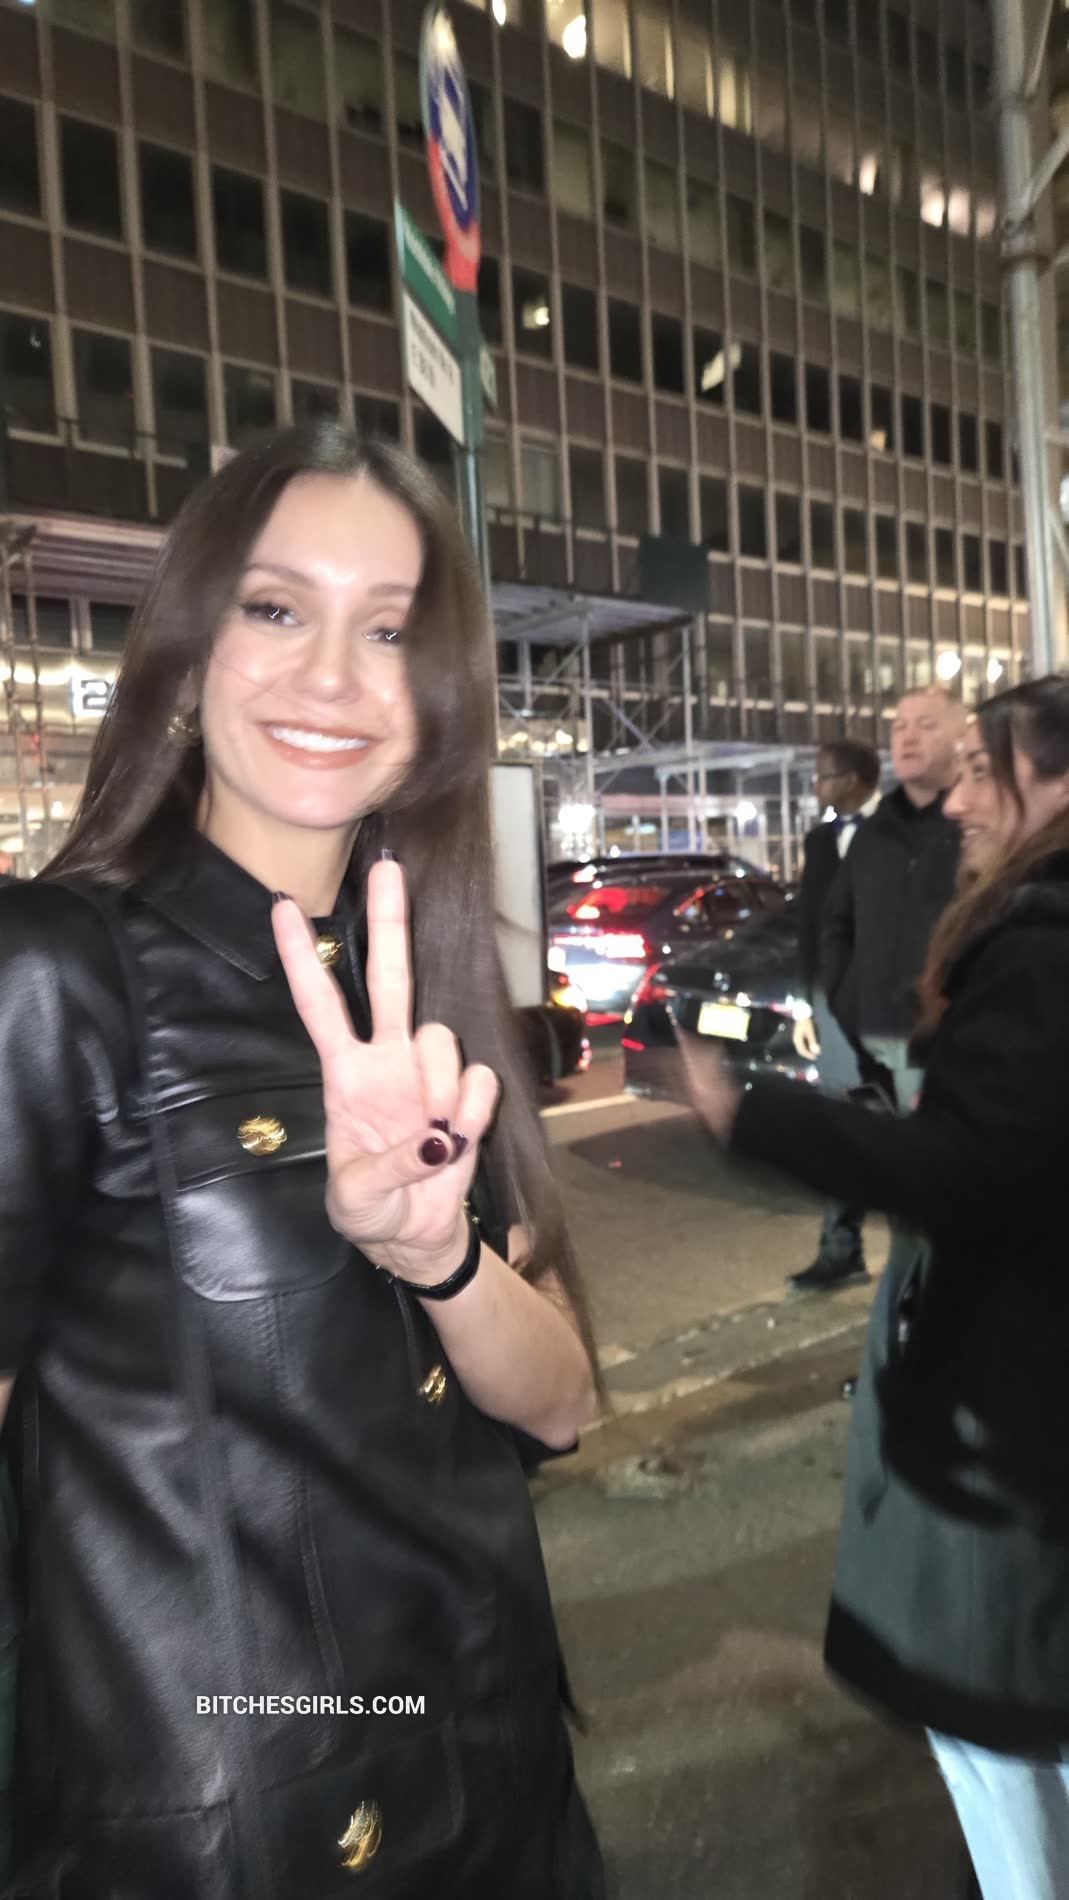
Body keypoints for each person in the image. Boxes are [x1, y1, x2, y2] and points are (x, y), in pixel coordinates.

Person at [0, 424, 605, 1898]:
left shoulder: (429, 983)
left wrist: (437, 1254)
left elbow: (563, 1405)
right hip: (239, 1833)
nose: (332, 677)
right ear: (189, 651)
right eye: (275, 608)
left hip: (501, 1775)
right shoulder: (55, 972)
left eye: (388, 631)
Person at [683, 675, 1069, 1900]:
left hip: (1011, 1409)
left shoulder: (1041, 945)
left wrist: (754, 1113)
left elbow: (967, 1169)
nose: (957, 799)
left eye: (980, 769)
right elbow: (833, 935)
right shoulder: (940, 883)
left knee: (992, 1711)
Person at [822, 687, 964, 1113]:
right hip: (874, 1052)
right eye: (899, 727)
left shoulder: (976, 828)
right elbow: (838, 924)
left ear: (961, 739)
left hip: (954, 1054)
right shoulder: (873, 835)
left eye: (926, 725)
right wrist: (844, 1000)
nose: (908, 737)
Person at [787, 738, 882, 1295]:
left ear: (853, 779)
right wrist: (805, 1004)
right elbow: (808, 926)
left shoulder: (908, 830)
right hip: (834, 1007)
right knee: (842, 1129)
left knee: (910, 1129)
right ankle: (841, 1252)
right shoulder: (819, 841)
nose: (817, 786)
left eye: (824, 776)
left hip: (896, 1010)